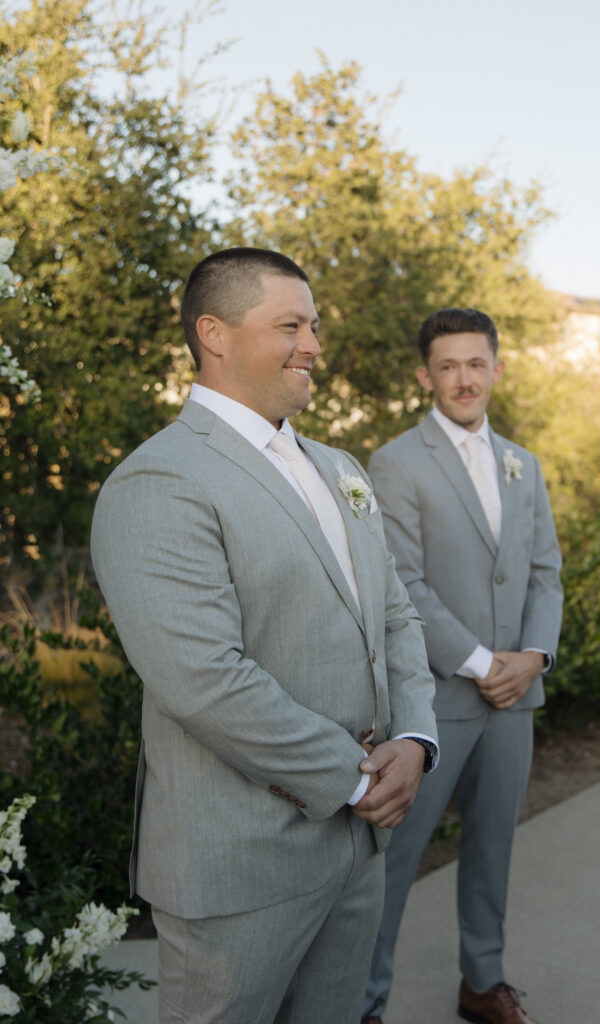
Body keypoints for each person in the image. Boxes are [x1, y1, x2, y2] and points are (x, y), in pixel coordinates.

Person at [90, 247, 438, 1024]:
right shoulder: (161, 480)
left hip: (355, 858)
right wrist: (357, 781)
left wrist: (415, 737)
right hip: (239, 870)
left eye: (312, 324)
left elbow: (393, 615)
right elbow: (203, 678)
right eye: (290, 324)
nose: (313, 344)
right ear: (213, 332)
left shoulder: (338, 465)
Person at [361, 308, 563, 1024]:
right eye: (446, 366)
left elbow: (544, 574)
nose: (462, 378)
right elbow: (403, 585)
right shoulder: (394, 462)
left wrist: (532, 658)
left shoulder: (523, 462)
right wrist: (483, 663)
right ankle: (364, 1003)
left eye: (475, 363)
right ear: (425, 376)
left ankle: (481, 981)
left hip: (515, 699)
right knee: (392, 857)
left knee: (493, 845)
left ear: (496, 369)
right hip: (437, 700)